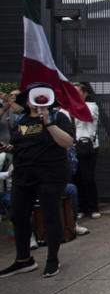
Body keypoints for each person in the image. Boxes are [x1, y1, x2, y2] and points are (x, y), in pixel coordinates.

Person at [0, 82, 74, 278]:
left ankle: (52, 259)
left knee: (50, 215)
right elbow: (21, 145)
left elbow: (67, 142)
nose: (38, 100)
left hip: (50, 175)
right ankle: (23, 260)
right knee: (17, 214)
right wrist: (8, 148)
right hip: (24, 175)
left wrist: (48, 122)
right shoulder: (21, 121)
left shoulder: (58, 117)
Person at [73, 82, 100, 219]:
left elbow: (86, 116)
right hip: (73, 146)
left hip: (88, 146)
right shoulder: (68, 107)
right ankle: (81, 207)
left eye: (77, 92)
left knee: (88, 177)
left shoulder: (91, 106)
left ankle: (93, 207)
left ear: (85, 93)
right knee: (76, 178)